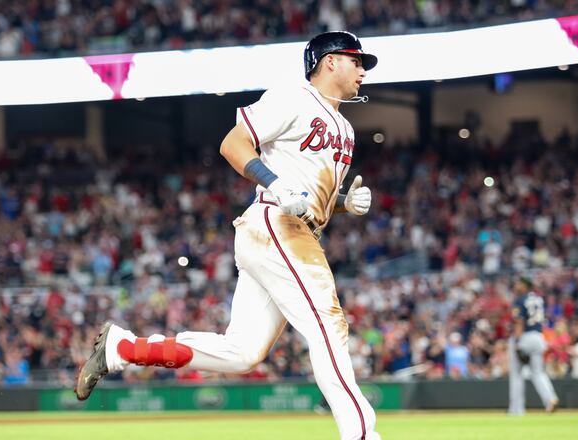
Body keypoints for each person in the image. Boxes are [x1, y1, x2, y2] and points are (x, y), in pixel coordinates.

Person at [75, 31, 380, 440]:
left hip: (289, 230)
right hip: (278, 227)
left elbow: (308, 195)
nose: (362, 70)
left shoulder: (345, 127)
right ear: (329, 62)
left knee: (242, 353)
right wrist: (273, 183)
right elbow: (233, 144)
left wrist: (344, 203)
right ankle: (361, 433)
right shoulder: (293, 96)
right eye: (356, 60)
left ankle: (124, 348)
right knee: (328, 324)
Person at [508, 277, 559, 415]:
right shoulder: (538, 299)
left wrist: (517, 344)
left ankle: (516, 410)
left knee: (517, 374)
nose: (516, 285)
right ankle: (550, 399)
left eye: (519, 283)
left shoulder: (520, 299)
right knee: (538, 372)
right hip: (538, 337)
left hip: (524, 336)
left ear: (525, 285)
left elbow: (519, 321)